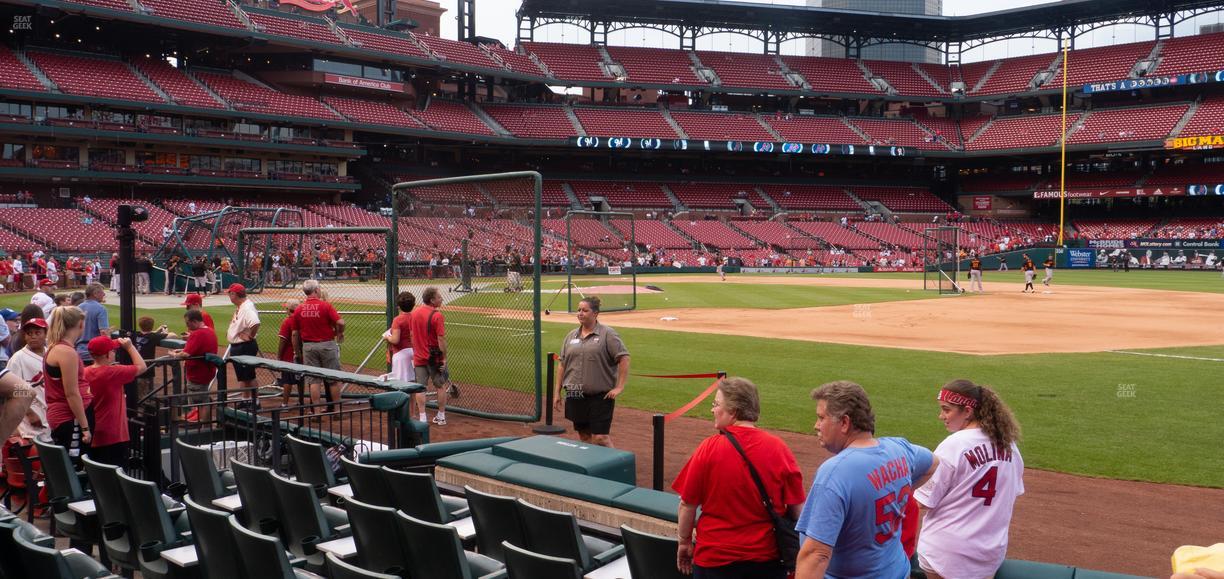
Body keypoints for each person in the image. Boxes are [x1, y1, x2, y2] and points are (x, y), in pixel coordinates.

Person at [795, 381, 939, 579]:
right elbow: (933, 463)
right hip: (896, 570)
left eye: (821, 418)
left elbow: (816, 555)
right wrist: (898, 491)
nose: (816, 426)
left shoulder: (836, 472)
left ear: (844, 423)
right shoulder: (899, 449)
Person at [673, 377, 805, 578]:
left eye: (716, 405)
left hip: (714, 560)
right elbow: (798, 511)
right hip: (765, 561)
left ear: (733, 412)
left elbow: (687, 505)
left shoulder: (708, 448)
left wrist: (683, 542)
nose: (712, 410)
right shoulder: (779, 448)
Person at [914, 379, 1024, 579]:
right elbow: (1011, 493)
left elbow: (923, 500)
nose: (941, 416)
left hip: (947, 550)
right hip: (989, 551)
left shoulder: (954, 445)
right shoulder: (1010, 447)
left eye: (947, 410)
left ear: (967, 411)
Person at [552, 296, 629, 447]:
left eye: (585, 310)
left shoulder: (608, 334)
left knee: (600, 437)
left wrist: (620, 386)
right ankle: (594, 468)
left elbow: (624, 358)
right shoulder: (570, 336)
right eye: (579, 310)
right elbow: (562, 364)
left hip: (600, 394)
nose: (580, 313)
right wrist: (557, 392)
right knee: (584, 435)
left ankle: (615, 466)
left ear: (595, 313)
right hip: (574, 391)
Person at [82, 336, 146, 467]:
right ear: (106, 354)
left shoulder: (85, 371)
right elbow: (142, 367)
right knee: (116, 479)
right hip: (113, 436)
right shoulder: (112, 372)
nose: (114, 353)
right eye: (112, 351)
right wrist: (130, 347)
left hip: (93, 433)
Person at [44, 306, 93, 461]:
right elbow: (71, 393)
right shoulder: (66, 352)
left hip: (66, 417)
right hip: (71, 419)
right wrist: (85, 427)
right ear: (80, 324)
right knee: (76, 467)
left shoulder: (56, 347)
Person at [292, 280, 345, 410]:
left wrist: (297, 352)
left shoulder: (299, 308)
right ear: (315, 290)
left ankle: (316, 412)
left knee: (313, 381)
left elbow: (294, 333)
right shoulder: (325, 306)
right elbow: (341, 322)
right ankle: (337, 411)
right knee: (332, 379)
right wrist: (339, 333)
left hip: (308, 346)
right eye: (319, 288)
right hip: (326, 344)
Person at [410, 287, 455, 426]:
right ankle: (441, 416)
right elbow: (441, 339)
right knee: (440, 386)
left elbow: (412, 335)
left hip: (419, 356)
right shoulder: (437, 315)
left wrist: (416, 351)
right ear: (432, 300)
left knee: (420, 387)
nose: (441, 299)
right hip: (434, 358)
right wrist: (444, 358)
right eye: (439, 297)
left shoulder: (414, 313)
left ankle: (422, 417)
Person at [8, 318, 50, 443]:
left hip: (51, 413)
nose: (33, 336)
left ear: (45, 334)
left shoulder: (51, 354)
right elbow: (12, 390)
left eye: (37, 333)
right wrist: (30, 413)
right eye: (29, 333)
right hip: (31, 417)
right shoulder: (18, 358)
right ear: (24, 336)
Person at [170, 310, 218, 420]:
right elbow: (196, 349)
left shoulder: (197, 334)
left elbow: (185, 354)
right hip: (208, 371)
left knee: (199, 401)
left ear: (195, 321)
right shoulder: (209, 331)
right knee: (202, 398)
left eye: (188, 323)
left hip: (198, 373)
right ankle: (203, 423)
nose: (187, 326)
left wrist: (174, 354)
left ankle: (203, 424)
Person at [383, 291, 420, 420]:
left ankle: (400, 413)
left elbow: (395, 340)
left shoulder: (398, 320)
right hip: (414, 352)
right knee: (412, 383)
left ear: (398, 306)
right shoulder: (416, 317)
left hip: (401, 355)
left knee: (400, 385)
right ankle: (412, 413)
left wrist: (387, 336)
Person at [225, 283, 260, 395]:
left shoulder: (247, 308)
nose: (229, 296)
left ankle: (255, 402)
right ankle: (245, 400)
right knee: (244, 377)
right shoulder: (242, 306)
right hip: (239, 347)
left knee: (249, 376)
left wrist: (250, 336)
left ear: (234, 294)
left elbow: (255, 323)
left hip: (244, 347)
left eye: (230, 293)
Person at [133, 316, 175, 401]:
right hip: (146, 370)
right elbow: (173, 335)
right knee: (146, 396)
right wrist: (164, 332)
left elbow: (147, 334)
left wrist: (157, 330)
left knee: (134, 394)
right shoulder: (154, 337)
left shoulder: (136, 334)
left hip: (134, 369)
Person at [277, 300, 304, 407]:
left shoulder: (287, 321)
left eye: (286, 308)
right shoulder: (302, 320)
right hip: (301, 354)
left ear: (289, 309)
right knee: (300, 378)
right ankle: (301, 402)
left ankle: (285, 404)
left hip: (288, 356)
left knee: (287, 380)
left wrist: (279, 355)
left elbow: (282, 340)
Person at [75, 284, 109, 365]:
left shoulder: (78, 307)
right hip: (95, 354)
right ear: (95, 294)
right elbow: (104, 332)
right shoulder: (101, 309)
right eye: (102, 292)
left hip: (79, 353)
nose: (104, 294)